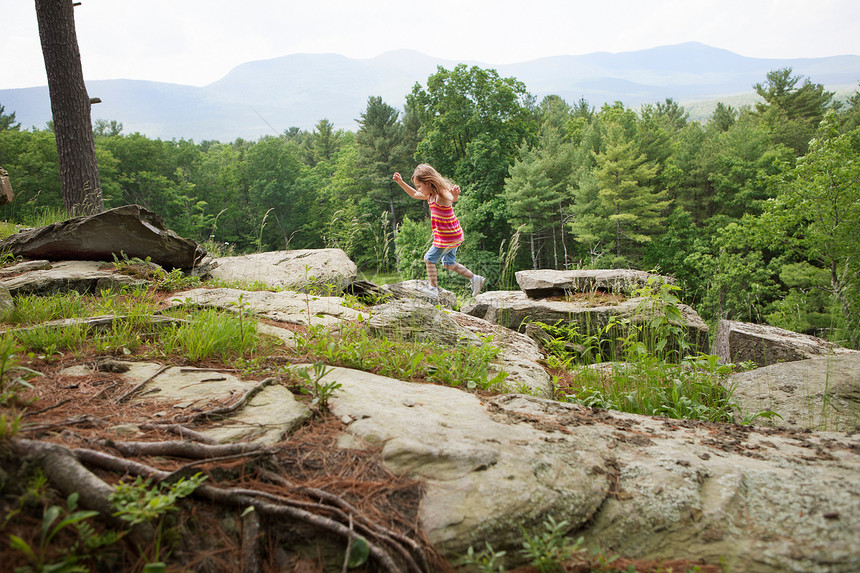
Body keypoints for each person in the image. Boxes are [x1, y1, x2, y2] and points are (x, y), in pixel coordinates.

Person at [393, 164, 485, 299]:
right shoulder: (429, 196)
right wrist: (401, 182)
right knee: (448, 264)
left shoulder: (440, 196)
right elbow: (413, 194)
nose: (418, 189)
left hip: (447, 238)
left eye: (419, 186)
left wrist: (454, 195)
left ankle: (433, 288)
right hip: (454, 236)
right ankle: (475, 278)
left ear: (428, 183)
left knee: (428, 259)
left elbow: (451, 198)